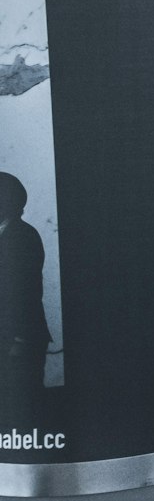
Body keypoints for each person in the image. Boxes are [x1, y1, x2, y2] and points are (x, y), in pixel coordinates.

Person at [0, 172, 51, 408]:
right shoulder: (10, 234)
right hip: (12, 341)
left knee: (24, 405)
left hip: (19, 343)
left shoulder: (21, 237)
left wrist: (19, 340)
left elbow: (25, 292)